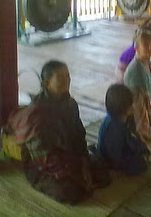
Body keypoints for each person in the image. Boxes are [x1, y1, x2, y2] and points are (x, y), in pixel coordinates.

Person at [9, 61, 110, 204]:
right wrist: (71, 172)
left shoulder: (70, 104)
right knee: (70, 192)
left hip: (70, 157)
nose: (67, 80)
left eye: (68, 76)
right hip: (46, 167)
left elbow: (79, 135)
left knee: (103, 173)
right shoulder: (36, 114)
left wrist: (83, 162)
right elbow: (42, 155)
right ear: (47, 82)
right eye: (61, 77)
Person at [97, 84, 149, 175]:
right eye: (130, 105)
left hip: (121, 147)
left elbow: (132, 134)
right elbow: (115, 153)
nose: (133, 107)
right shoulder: (114, 127)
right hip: (111, 158)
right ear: (122, 108)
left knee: (142, 149)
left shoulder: (123, 117)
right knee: (141, 165)